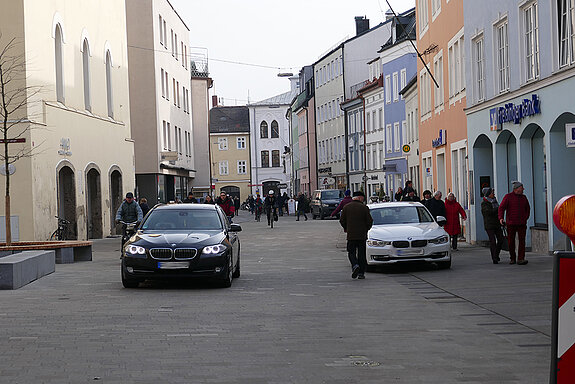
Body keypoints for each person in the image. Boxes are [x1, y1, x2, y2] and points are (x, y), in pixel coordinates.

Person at [339, 191, 373, 280]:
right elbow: (370, 221)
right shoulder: (364, 208)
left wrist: (347, 228)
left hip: (351, 235)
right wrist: (366, 229)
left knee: (351, 252)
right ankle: (361, 273)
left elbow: (342, 220)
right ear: (360, 198)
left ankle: (355, 265)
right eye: (363, 198)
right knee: (362, 254)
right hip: (362, 235)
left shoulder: (346, 207)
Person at [498, 181, 530, 265]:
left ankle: (521, 258)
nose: (523, 189)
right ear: (516, 189)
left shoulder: (524, 198)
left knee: (522, 241)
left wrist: (525, 218)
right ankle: (512, 258)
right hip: (511, 223)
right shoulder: (508, 197)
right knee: (511, 241)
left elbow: (528, 209)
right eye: (522, 188)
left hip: (522, 223)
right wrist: (501, 218)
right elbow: (501, 208)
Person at [481, 187, 504, 264]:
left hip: (497, 224)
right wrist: (498, 209)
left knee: (501, 240)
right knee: (493, 241)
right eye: (492, 193)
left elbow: (499, 211)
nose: (493, 194)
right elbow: (488, 212)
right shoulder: (484, 203)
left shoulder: (495, 201)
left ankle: (496, 254)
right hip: (489, 225)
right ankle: (494, 258)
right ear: (488, 194)